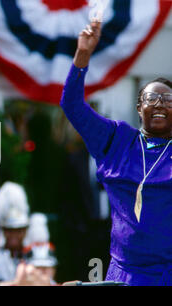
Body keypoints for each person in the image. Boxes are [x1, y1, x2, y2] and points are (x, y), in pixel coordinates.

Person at [60, 20, 172, 285]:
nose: (159, 104)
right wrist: (83, 55)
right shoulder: (115, 140)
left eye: (167, 100)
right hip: (124, 273)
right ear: (138, 107)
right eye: (151, 99)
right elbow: (72, 105)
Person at [0, 181, 30, 285]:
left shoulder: (33, 254)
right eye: (9, 230)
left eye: (19, 230)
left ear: (25, 230)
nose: (14, 235)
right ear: (3, 230)